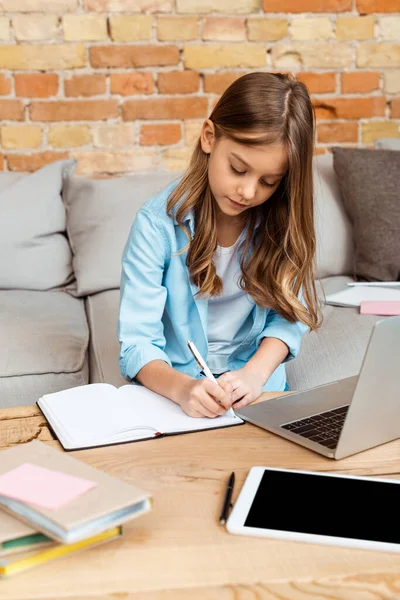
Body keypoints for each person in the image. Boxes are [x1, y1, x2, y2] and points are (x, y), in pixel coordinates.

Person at [118, 72, 321, 419]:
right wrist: (183, 389)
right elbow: (137, 344)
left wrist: (256, 374)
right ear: (209, 138)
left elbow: (289, 317)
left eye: (268, 182)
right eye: (238, 169)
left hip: (258, 392)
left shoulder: (280, 221)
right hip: (176, 393)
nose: (248, 192)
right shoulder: (156, 226)